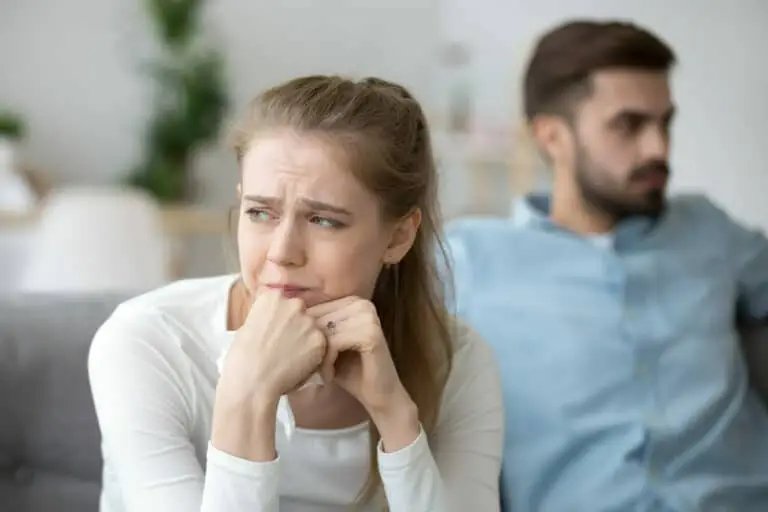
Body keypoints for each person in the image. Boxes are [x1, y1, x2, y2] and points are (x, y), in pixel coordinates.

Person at [88, 75, 504, 511]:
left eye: (324, 220)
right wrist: (247, 393)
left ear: (398, 237)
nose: (282, 252)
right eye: (260, 212)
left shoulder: (458, 363)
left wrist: (397, 418)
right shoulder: (147, 343)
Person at [445, 20, 768, 512]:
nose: (658, 148)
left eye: (665, 123)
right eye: (629, 125)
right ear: (552, 136)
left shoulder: (709, 229)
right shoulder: (469, 259)